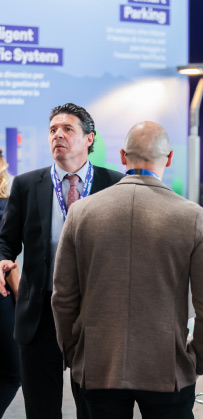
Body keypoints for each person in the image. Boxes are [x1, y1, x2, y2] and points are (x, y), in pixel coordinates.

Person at [52, 121, 203, 418]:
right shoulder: (191, 216)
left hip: (97, 363)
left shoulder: (80, 212)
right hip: (167, 366)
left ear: (121, 155)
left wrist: (74, 352)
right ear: (169, 158)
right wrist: (197, 359)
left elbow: (63, 297)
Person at [0, 103, 124, 419]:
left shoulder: (115, 184)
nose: (58, 135)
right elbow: (6, 241)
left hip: (95, 313)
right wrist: (1, 261)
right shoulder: (27, 185)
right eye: (53, 129)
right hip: (39, 310)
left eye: (68, 129)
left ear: (89, 139)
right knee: (41, 407)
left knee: (95, 407)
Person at [0, 150, 21, 417]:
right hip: (4, 291)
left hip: (4, 290)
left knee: (12, 370)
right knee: (12, 370)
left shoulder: (10, 196)